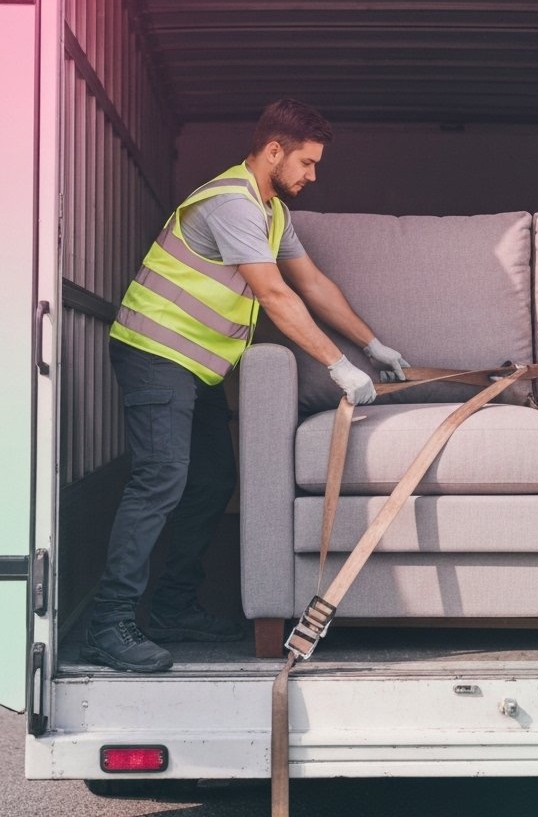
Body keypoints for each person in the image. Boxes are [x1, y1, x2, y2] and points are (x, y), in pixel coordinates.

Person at [81, 98, 409, 673]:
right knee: (161, 479)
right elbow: (276, 295)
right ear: (274, 151)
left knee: (211, 481)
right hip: (155, 352)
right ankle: (108, 622)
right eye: (307, 163)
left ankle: (175, 608)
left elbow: (311, 284)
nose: (313, 175)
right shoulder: (232, 202)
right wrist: (339, 366)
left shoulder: (271, 211)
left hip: (195, 364)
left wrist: (373, 345)